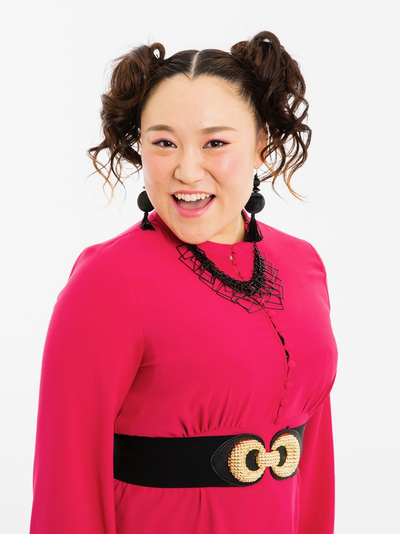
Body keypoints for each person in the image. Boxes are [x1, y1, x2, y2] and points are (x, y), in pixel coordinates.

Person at [30, 31, 338, 534]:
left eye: (215, 143)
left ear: (261, 145)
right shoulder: (107, 280)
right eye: (164, 143)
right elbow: (67, 479)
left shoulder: (302, 265)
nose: (187, 170)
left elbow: (314, 450)